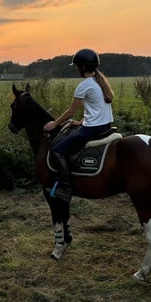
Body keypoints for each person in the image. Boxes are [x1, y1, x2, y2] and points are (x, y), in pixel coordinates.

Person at [43, 48, 115, 202]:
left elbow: (70, 111)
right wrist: (81, 121)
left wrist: (54, 124)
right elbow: (96, 108)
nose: (76, 69)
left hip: (92, 129)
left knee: (57, 150)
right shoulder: (99, 81)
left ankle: (65, 189)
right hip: (105, 125)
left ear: (82, 67)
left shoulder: (84, 85)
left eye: (77, 66)